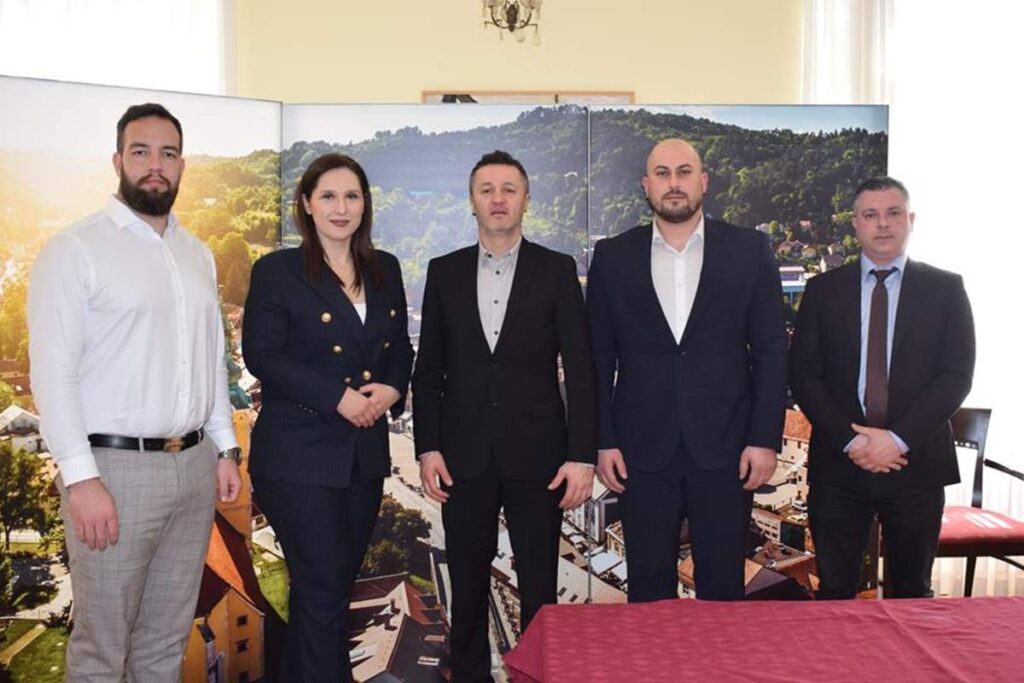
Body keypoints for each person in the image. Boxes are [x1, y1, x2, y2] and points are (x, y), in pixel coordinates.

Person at [27, 102, 242, 681]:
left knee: (164, 644)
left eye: (168, 154)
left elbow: (209, 360)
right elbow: (53, 376)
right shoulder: (74, 250)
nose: (155, 165)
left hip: (193, 468)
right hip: (113, 474)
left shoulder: (197, 254)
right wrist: (81, 479)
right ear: (117, 160)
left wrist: (224, 447)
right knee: (103, 649)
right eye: (141, 151)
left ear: (182, 166)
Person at [413, 150, 596, 681]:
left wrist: (582, 455)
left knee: (540, 594)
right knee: (468, 594)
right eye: (487, 189)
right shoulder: (443, 272)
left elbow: (581, 370)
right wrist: (428, 448)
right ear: (472, 200)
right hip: (462, 458)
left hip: (540, 460)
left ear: (526, 200)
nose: (498, 199)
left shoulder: (557, 270)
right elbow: (429, 371)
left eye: (509, 189)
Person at [586, 138, 787, 602]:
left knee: (723, 590)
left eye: (683, 172)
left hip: (728, 449)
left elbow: (771, 350)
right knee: (648, 591)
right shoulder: (613, 257)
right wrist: (604, 439)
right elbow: (598, 357)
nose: (673, 183)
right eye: (662, 173)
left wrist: (764, 438)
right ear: (646, 185)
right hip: (639, 454)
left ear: (703, 181)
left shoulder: (749, 249)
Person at [243, 153, 413, 681]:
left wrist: (393, 388)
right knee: (321, 592)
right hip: (298, 456)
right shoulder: (277, 272)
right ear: (306, 204)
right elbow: (262, 355)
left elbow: (400, 347)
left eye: (352, 196)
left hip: (362, 457)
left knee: (330, 594)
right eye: (329, 196)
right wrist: (337, 398)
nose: (341, 208)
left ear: (365, 205)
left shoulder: (385, 268)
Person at [789, 176, 975, 599]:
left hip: (916, 464)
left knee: (911, 593)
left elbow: (956, 377)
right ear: (855, 223)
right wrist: (852, 441)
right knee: (835, 593)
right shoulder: (822, 290)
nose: (883, 224)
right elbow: (803, 374)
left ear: (911, 220)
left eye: (893, 213)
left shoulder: (946, 289)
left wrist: (898, 439)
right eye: (871, 215)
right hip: (839, 465)